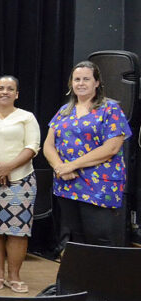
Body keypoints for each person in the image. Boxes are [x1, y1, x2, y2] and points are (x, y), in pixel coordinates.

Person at [43, 60, 132, 247]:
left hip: (99, 185)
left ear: (97, 83)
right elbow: (48, 145)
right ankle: (76, 269)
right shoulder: (64, 111)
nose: (81, 83)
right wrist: (60, 167)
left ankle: (102, 269)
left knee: (99, 238)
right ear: (71, 83)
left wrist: (71, 165)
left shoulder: (110, 109)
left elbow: (111, 148)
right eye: (77, 79)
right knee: (75, 240)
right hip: (67, 182)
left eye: (86, 79)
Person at [0, 75, 41, 292]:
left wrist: (8, 167)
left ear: (17, 94)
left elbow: (32, 147)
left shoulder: (27, 117)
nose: (4, 92)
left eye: (10, 88)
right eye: (0, 88)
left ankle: (14, 276)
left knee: (18, 230)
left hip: (21, 180)